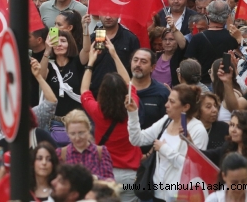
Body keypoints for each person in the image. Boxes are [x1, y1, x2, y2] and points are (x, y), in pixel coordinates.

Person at [0, 59, 57, 189]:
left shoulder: (37, 132)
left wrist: (39, 77)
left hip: (31, 187)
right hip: (0, 186)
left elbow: (52, 102)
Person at [127, 84, 208, 202]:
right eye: (167, 100)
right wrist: (133, 113)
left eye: (172, 102)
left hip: (179, 197)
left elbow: (194, 167)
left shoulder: (198, 130)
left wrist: (164, 149)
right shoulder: (166, 120)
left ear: (185, 107)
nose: (166, 105)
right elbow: (137, 139)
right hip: (155, 194)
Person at [81, 39, 140, 201]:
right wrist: (114, 55)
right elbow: (129, 83)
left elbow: (84, 90)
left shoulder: (97, 111)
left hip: (104, 174)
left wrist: (91, 62)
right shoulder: (132, 105)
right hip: (130, 175)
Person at [185, 0, 239, 87]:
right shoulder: (234, 38)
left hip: (203, 85)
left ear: (208, 13)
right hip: (226, 85)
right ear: (227, 15)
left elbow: (188, 65)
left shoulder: (197, 38)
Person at [202, 110, 247, 190]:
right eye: (231, 125)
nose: (233, 130)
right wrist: (189, 143)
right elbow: (204, 155)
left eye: (238, 127)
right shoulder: (228, 146)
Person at [36, 30, 88, 117]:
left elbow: (87, 50)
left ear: (70, 44)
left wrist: (85, 27)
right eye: (56, 41)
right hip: (54, 121)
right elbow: (41, 77)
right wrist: (47, 51)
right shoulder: (48, 65)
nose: (59, 44)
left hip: (76, 119)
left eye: (63, 41)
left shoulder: (77, 62)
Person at [56, 109, 115, 180]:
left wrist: (93, 178)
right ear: (67, 133)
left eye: (81, 133)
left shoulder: (101, 152)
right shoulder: (61, 154)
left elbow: (110, 182)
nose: (77, 138)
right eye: (72, 134)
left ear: (88, 129)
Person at [88, 15, 140, 95]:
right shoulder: (92, 38)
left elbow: (136, 67)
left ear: (118, 14)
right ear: (99, 15)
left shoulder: (130, 39)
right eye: (104, 13)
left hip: (123, 92)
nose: (108, 17)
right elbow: (83, 63)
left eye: (112, 13)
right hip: (96, 92)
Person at [129, 49, 171, 130]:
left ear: (153, 67)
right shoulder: (121, 89)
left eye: (143, 62)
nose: (138, 64)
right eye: (135, 60)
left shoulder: (162, 92)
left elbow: (169, 124)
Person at [209, 58, 243, 123]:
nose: (210, 75)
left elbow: (238, 118)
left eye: (211, 72)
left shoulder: (234, 94)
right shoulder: (219, 94)